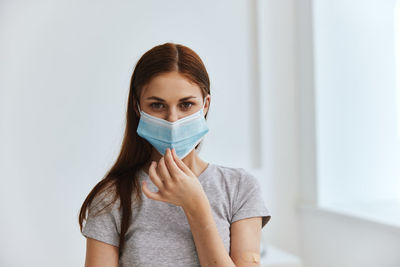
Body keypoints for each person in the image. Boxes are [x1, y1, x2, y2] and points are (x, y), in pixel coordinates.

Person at [78, 42, 271, 267]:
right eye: (157, 105)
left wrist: (196, 206)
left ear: (205, 105)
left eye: (186, 104)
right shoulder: (112, 197)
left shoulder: (239, 188)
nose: (172, 119)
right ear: (138, 107)